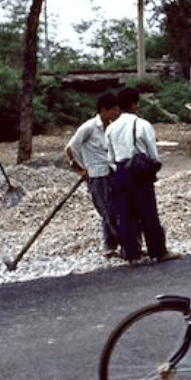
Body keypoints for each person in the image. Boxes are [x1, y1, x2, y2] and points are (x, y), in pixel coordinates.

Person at [107, 88, 176, 264]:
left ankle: (131, 254)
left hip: (120, 172)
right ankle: (158, 252)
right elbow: (153, 154)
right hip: (139, 172)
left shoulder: (111, 128)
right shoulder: (142, 125)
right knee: (148, 213)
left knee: (125, 214)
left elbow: (110, 158)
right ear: (134, 104)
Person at [66, 91, 121, 258]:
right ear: (103, 110)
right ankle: (114, 243)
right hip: (96, 175)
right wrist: (80, 169)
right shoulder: (89, 127)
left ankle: (111, 245)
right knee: (106, 211)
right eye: (113, 110)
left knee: (116, 208)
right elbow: (70, 148)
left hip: (110, 171)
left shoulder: (111, 127)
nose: (116, 113)